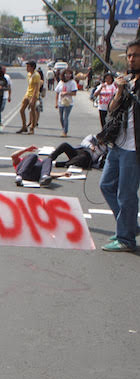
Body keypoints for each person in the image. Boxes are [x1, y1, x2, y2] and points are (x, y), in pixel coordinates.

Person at [98, 39, 140, 252]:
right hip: (118, 144)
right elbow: (112, 109)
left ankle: (126, 239)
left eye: (136, 55)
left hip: (134, 149)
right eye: (129, 55)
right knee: (105, 185)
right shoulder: (128, 81)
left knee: (127, 194)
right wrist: (120, 90)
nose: (132, 59)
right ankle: (129, 225)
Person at [17, 61, 41, 135]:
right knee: (21, 110)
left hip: (33, 95)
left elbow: (36, 88)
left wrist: (33, 99)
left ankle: (32, 128)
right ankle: (24, 126)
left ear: (32, 67)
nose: (27, 68)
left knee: (33, 111)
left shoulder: (36, 75)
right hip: (28, 93)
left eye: (28, 66)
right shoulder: (29, 74)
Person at [55, 68, 77, 138]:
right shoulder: (61, 82)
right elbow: (57, 92)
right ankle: (63, 128)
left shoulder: (72, 82)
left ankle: (65, 131)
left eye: (69, 74)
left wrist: (66, 93)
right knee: (61, 117)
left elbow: (74, 93)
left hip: (68, 102)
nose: (67, 75)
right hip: (60, 102)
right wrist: (56, 103)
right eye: (66, 74)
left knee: (66, 117)